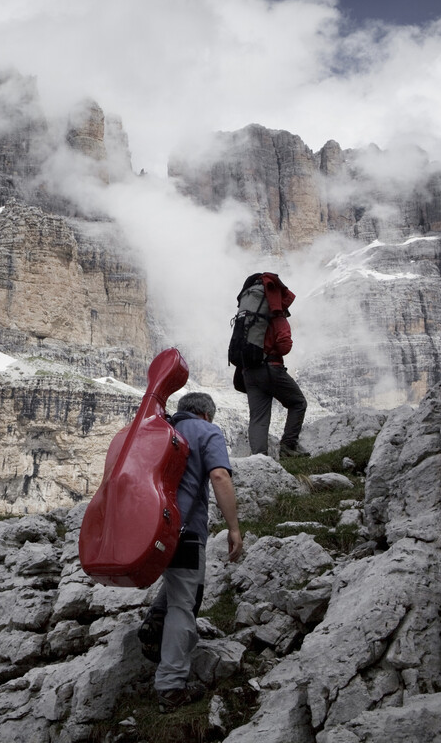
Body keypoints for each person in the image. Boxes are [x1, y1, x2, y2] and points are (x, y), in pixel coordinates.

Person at [138, 391, 242, 713]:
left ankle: (157, 616)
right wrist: (234, 528)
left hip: (148, 528)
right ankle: (171, 688)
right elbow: (219, 475)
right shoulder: (206, 431)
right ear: (207, 415)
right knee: (186, 603)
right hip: (185, 531)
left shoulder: (160, 429)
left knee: (177, 581)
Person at [240, 272, 309, 458]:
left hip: (248, 371)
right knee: (298, 403)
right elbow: (284, 346)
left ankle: (259, 459)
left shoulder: (247, 317)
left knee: (258, 417)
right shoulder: (277, 316)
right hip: (270, 368)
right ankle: (288, 446)